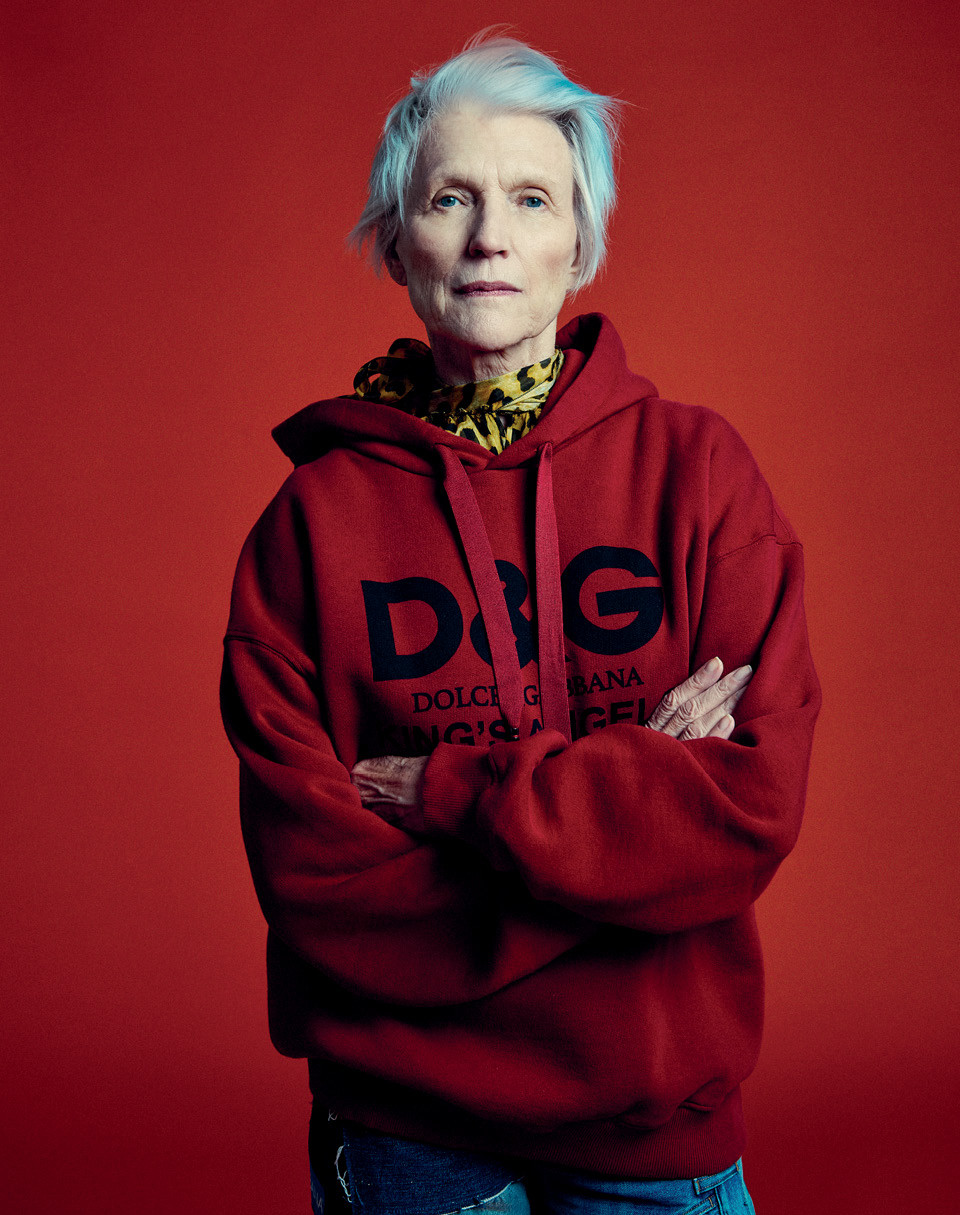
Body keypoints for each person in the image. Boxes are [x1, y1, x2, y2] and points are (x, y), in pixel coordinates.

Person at [220, 33, 820, 1215]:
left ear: (580, 242)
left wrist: (458, 797)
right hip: (408, 1130)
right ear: (398, 240)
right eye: (451, 197)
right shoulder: (309, 527)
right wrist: (627, 817)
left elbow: (749, 807)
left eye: (532, 198)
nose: (490, 235)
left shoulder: (700, 477)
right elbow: (317, 882)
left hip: (656, 1124)